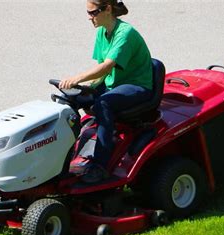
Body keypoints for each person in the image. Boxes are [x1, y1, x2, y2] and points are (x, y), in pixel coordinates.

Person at [59, 0, 153, 183]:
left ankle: (100, 166)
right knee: (70, 99)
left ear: (107, 9)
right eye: (88, 13)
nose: (89, 17)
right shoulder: (102, 31)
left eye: (93, 13)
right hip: (113, 83)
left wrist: (77, 79)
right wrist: (84, 90)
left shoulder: (125, 33)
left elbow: (106, 67)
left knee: (103, 104)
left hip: (137, 85)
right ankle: (63, 160)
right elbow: (100, 71)